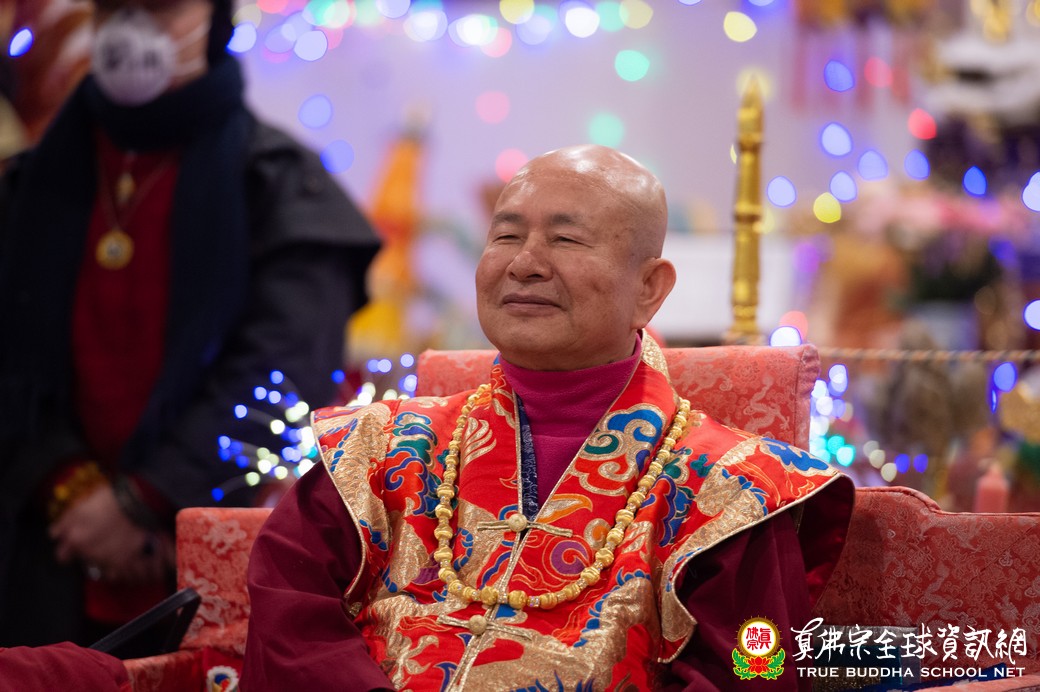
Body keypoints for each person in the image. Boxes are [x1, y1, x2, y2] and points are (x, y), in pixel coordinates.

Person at [242, 145, 853, 690]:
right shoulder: (375, 449)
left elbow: (752, 672)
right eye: (506, 236)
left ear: (649, 288)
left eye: (565, 240)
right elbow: (288, 610)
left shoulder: (733, 491)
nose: (525, 263)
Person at [0, 0, 379, 649]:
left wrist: (142, 501)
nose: (132, 26)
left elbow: (284, 373)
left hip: (212, 547)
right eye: (115, 6)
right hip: (42, 546)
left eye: (163, 7)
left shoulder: (280, 183)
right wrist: (67, 487)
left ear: (215, 20)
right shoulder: (30, 185)